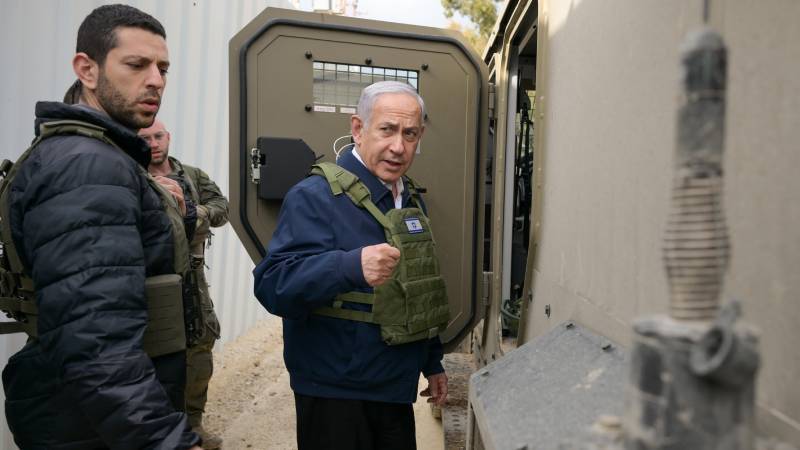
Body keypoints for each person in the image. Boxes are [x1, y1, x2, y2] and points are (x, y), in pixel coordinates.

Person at [1, 5, 202, 449]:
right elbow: (97, 343)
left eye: (163, 68)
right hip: (90, 425)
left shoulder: (100, 156)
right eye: (137, 64)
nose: (156, 80)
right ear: (86, 70)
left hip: (91, 416)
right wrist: (165, 440)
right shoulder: (86, 166)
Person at [254, 81, 449, 450]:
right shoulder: (315, 196)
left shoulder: (408, 199)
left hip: (393, 386)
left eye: (410, 134)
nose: (398, 146)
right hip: (336, 393)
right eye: (387, 130)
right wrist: (350, 267)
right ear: (358, 129)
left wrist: (432, 362)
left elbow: (416, 287)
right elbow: (272, 284)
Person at [139, 119, 230, 450]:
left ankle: (192, 424)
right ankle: (158, 427)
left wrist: (190, 211)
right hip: (150, 279)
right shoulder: (131, 176)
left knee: (201, 342)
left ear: (168, 137)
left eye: (158, 136)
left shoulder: (191, 176)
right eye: (145, 138)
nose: (153, 144)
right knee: (152, 350)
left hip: (191, 277)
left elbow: (222, 208)